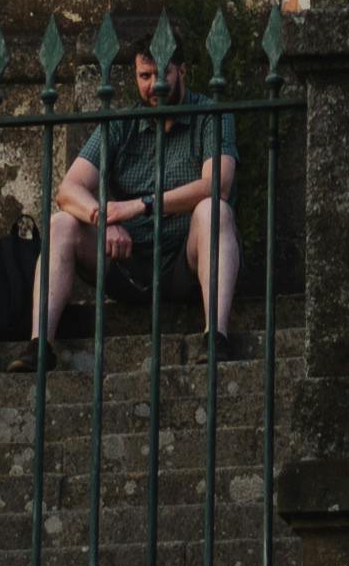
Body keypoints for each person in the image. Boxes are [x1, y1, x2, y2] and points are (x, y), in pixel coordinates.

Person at [40, 46, 241, 355]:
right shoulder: (123, 122)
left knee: (213, 209)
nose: (153, 85)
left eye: (162, 74)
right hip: (125, 264)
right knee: (61, 223)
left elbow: (218, 185)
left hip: (183, 263)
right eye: (144, 76)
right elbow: (68, 189)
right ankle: (40, 345)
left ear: (181, 71)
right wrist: (102, 219)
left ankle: (215, 337)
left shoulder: (211, 115)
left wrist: (139, 205)